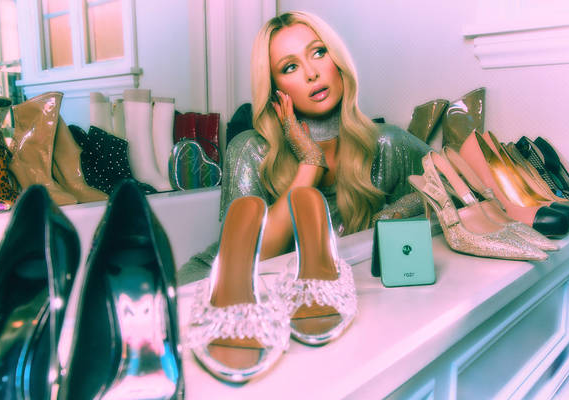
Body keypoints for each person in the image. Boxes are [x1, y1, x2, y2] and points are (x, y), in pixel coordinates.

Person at [180, 11, 429, 283]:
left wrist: (398, 212)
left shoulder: (388, 144)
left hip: (323, 289)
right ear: (275, 88)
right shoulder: (250, 149)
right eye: (290, 67)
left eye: (319, 52)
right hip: (217, 284)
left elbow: (452, 186)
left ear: (338, 59)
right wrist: (310, 162)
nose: (312, 73)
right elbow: (247, 262)